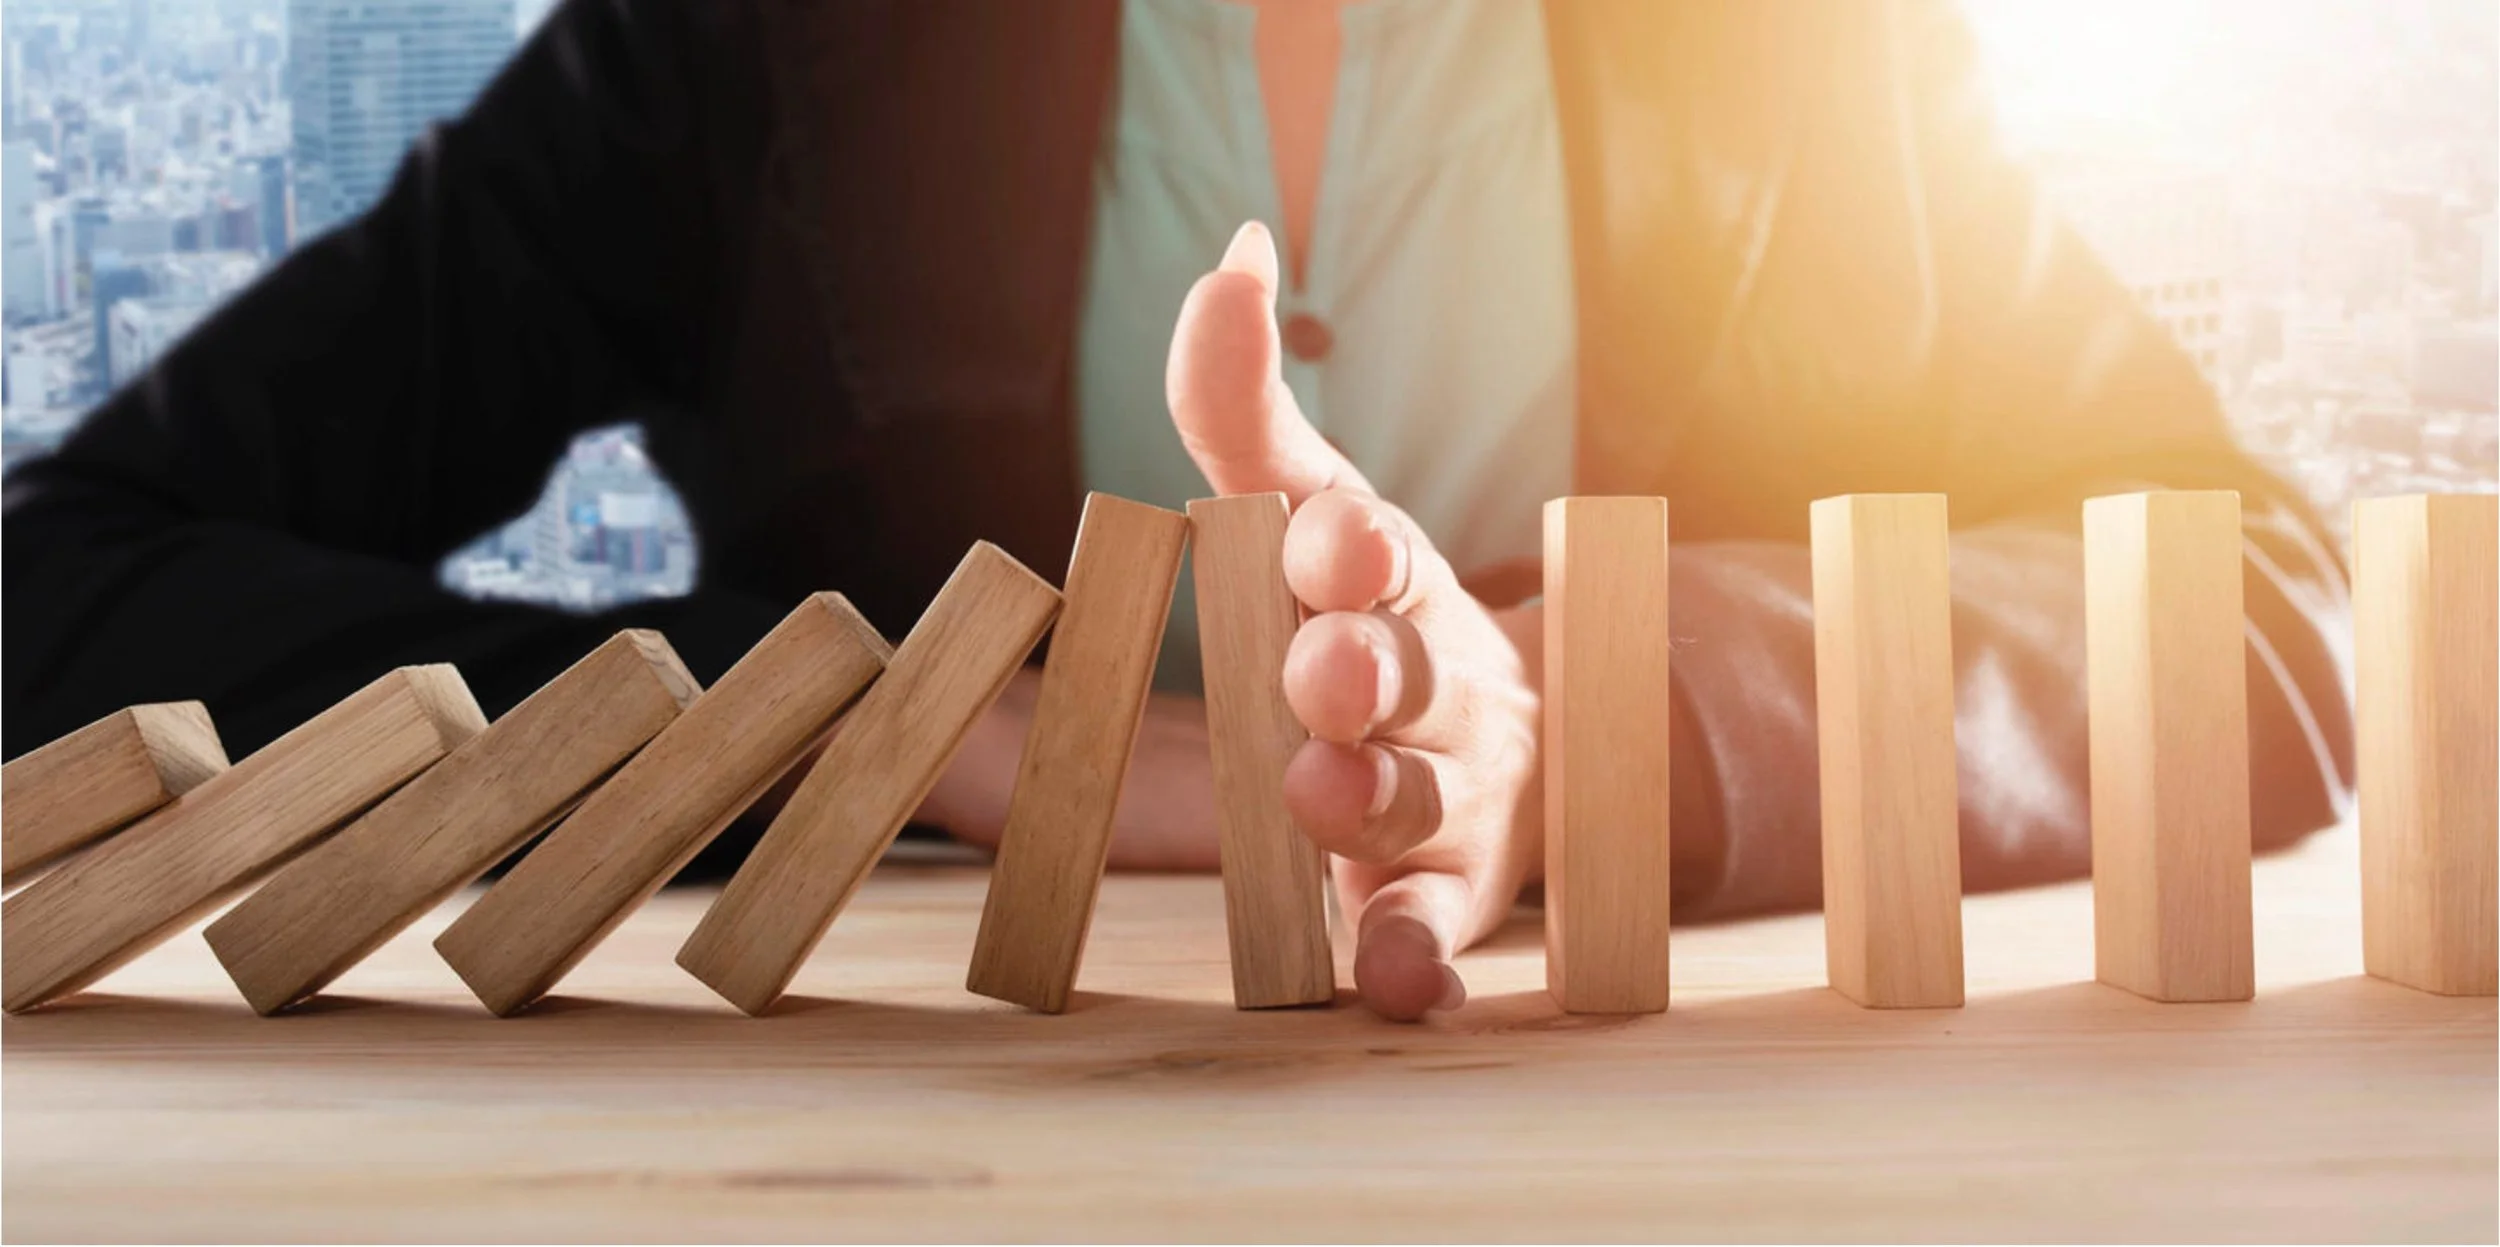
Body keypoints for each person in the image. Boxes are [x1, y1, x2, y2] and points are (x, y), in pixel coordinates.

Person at [1, 0, 2351, 1020]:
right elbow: (59, 580)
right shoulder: (755, 45)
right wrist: (912, 741)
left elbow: (2246, 600)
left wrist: (1580, 721)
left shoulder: (1794, 57)